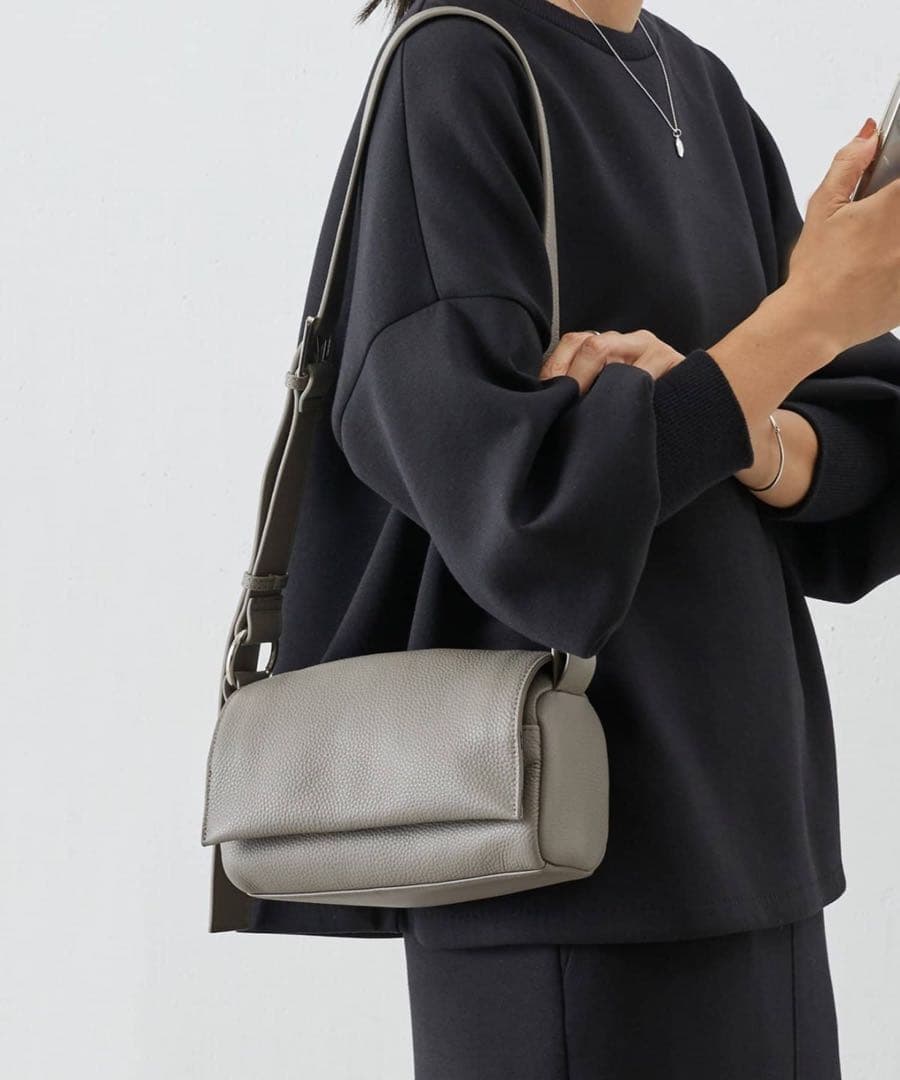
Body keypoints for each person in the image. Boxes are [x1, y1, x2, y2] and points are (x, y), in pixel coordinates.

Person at [217, 0, 900, 1075]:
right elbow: (520, 510)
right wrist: (800, 322)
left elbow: (864, 444)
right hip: (560, 881)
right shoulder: (458, 67)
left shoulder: (702, 87)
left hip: (762, 852)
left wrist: (748, 418)